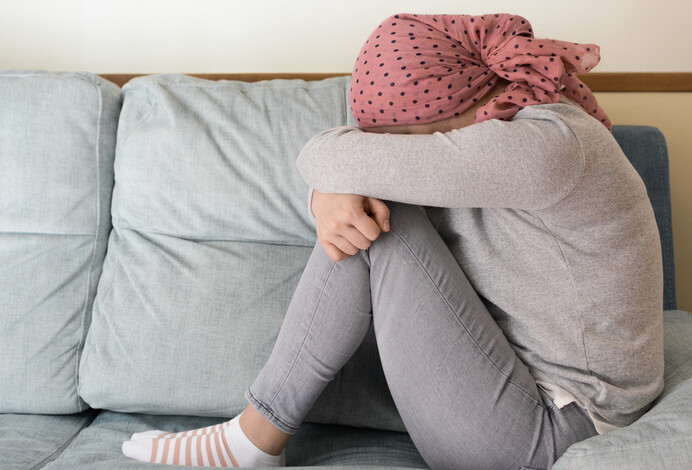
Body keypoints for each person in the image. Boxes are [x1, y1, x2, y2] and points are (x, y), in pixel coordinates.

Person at [122, 13, 664, 469]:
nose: (395, 154)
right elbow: (340, 160)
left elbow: (329, 155)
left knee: (387, 215)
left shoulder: (543, 147)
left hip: (555, 430)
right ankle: (256, 433)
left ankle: (255, 437)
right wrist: (328, 198)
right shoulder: (500, 127)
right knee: (373, 204)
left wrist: (328, 193)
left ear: (465, 99)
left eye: (407, 139)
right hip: (517, 393)